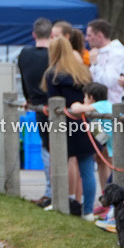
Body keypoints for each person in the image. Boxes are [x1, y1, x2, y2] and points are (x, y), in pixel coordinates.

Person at [43, 37, 96, 218]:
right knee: (87, 169)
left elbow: (53, 101)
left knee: (60, 164)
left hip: (63, 124)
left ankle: (63, 201)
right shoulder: (82, 71)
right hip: (82, 122)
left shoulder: (52, 74)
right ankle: (88, 210)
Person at [17, 17, 53, 207]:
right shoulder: (54, 55)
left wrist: (28, 97)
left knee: (47, 149)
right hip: (55, 103)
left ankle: (50, 192)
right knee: (54, 149)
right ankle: (52, 192)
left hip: (38, 103)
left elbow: (24, 80)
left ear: (33, 34)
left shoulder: (25, 54)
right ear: (52, 34)